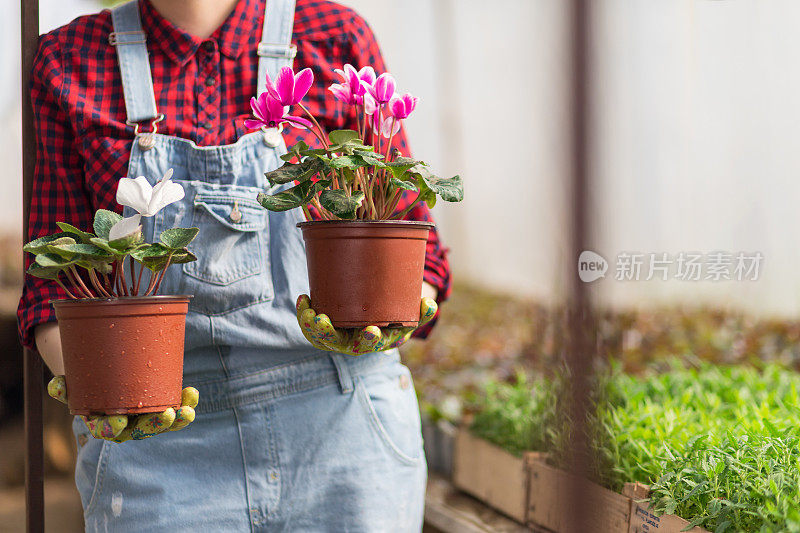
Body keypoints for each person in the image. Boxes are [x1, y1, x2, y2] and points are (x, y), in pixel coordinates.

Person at [17, 0, 451, 530]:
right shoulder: (71, 59)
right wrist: (97, 387)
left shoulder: (333, 37)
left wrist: (398, 312)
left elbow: (416, 247)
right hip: (159, 440)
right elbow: (52, 286)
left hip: (340, 423)